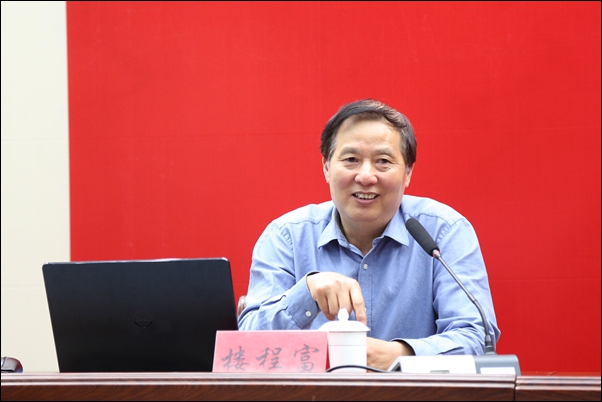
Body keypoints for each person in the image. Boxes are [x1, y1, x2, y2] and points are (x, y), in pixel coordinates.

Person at [237, 98, 500, 371]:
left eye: (383, 161)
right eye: (351, 160)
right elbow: (245, 347)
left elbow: (477, 336)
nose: (365, 176)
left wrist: (401, 356)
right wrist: (307, 292)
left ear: (408, 172)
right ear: (326, 167)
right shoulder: (287, 237)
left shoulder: (444, 232)